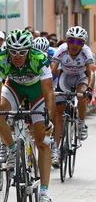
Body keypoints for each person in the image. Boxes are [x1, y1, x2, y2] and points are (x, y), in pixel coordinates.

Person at [0, 29, 55, 202]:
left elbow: (48, 92)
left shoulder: (40, 59)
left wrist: (49, 118)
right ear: (7, 50)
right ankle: (12, 149)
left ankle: (44, 192)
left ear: (29, 51)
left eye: (22, 52)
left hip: (37, 91)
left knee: (42, 142)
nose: (17, 56)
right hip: (14, 87)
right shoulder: (0, 60)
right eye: (13, 52)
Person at [50, 26, 94, 167]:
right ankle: (56, 150)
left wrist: (90, 89)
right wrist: (50, 87)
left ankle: (81, 123)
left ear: (83, 44)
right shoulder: (62, 50)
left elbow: (91, 73)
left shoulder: (86, 52)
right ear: (67, 41)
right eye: (72, 41)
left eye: (79, 42)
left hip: (81, 77)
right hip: (65, 78)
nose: (75, 45)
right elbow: (53, 70)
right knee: (59, 115)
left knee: (81, 95)